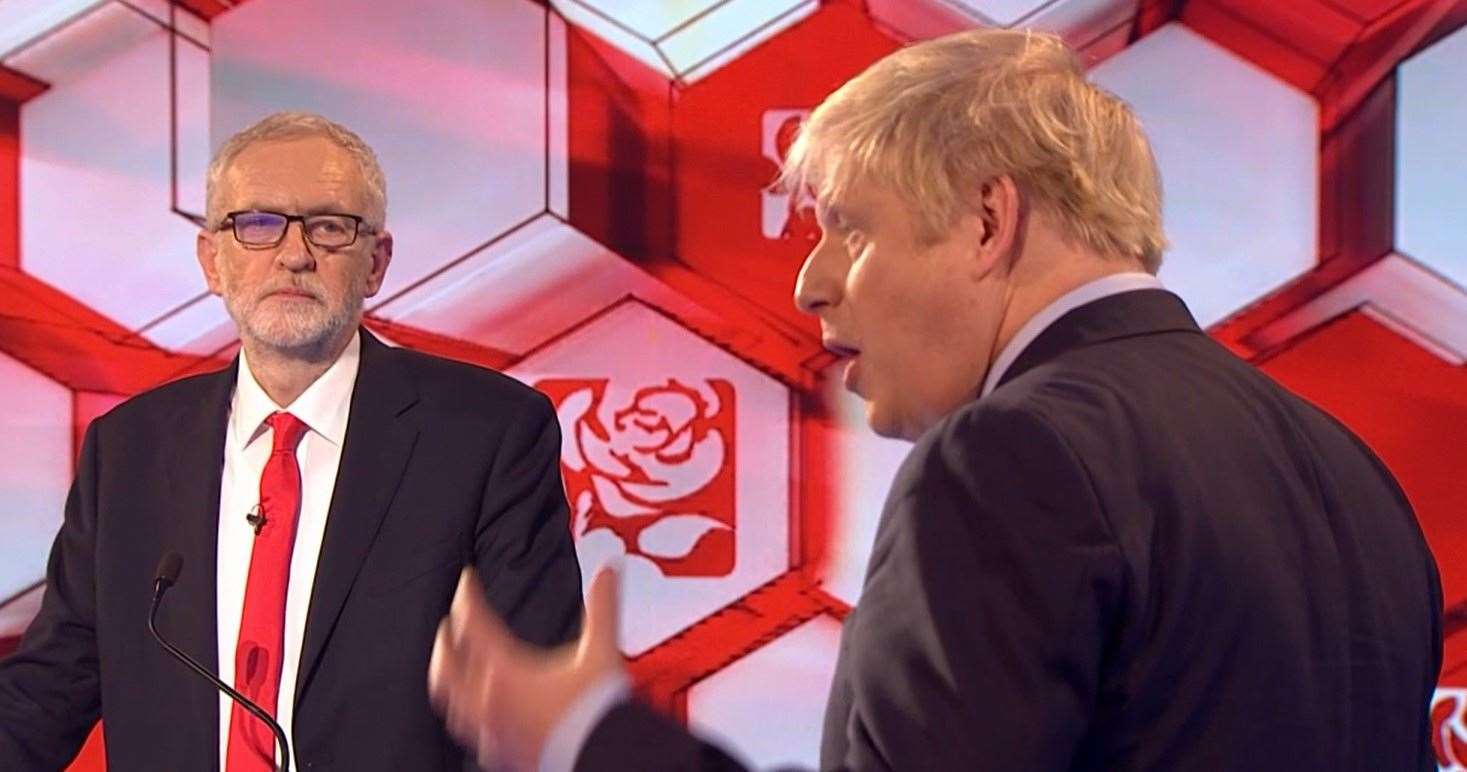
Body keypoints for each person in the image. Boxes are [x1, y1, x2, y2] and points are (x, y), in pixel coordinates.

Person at [424, 27, 1444, 772]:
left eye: (851, 230)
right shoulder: (1347, 470)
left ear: (988, 219)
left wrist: (583, 739)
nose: (809, 284)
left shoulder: (1010, 458)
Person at [0, 112, 583, 771]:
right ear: (211, 262)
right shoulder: (129, 449)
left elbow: (536, 701)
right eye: (256, 224)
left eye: (330, 226)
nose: (294, 252)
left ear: (376, 264)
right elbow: (52, 684)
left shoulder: (487, 433)